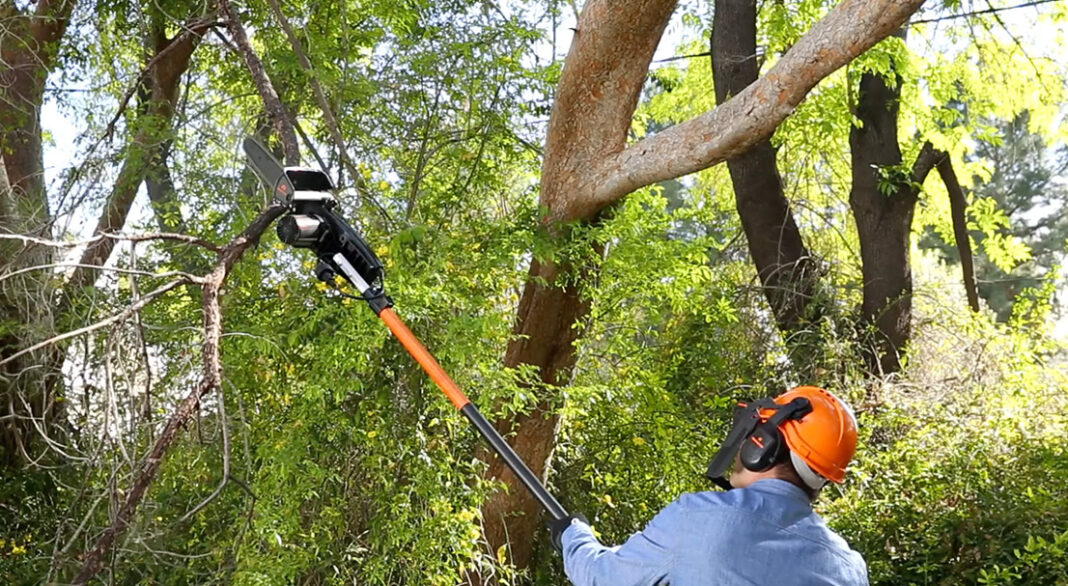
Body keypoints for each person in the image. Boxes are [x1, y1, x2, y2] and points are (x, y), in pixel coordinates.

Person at [549, 386, 868, 585]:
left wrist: (574, 536)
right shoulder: (849, 569)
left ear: (763, 445)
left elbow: (603, 578)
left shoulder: (698, 518)